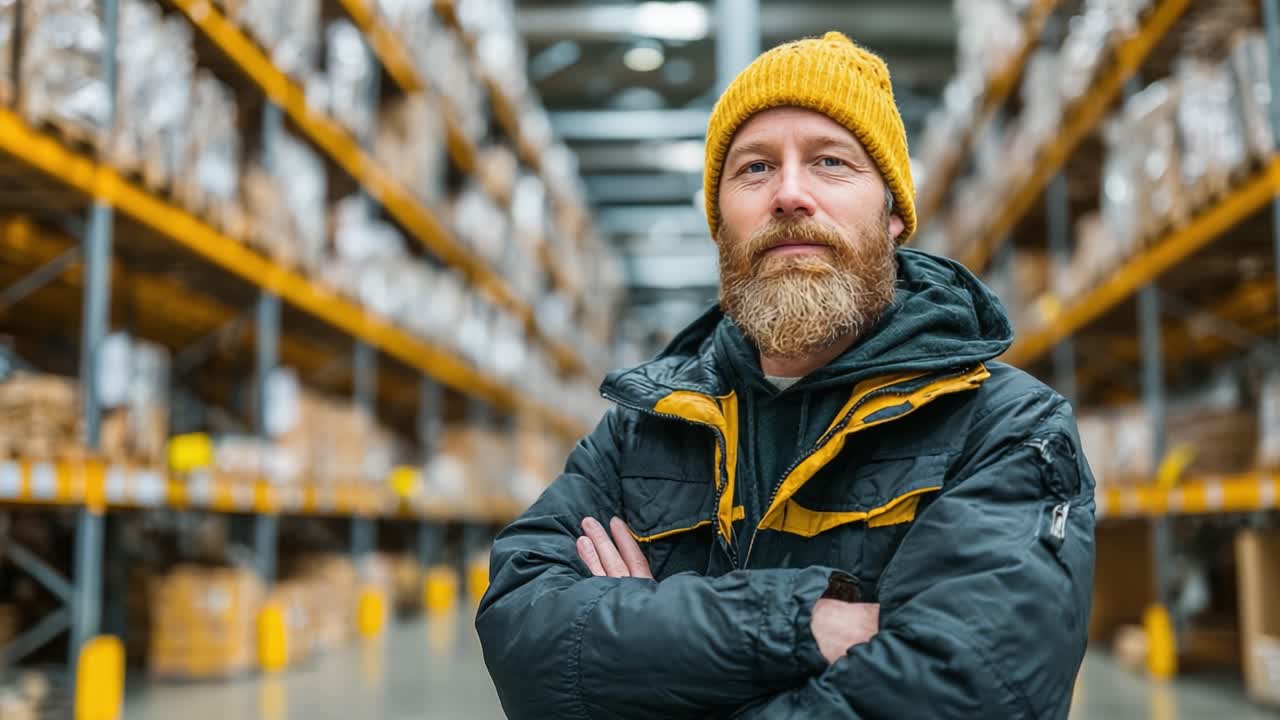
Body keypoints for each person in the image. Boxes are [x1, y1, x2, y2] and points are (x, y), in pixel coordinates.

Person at [476, 31, 1095, 720]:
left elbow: (966, 695)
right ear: (720, 224)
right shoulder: (642, 430)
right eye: (754, 169)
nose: (790, 194)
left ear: (892, 215)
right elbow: (526, 643)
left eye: (830, 162)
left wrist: (654, 650)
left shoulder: (1006, 429)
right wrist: (803, 625)